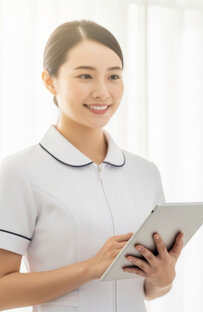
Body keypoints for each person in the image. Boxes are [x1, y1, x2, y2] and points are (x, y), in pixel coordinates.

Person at [0, 20, 184, 312]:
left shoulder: (145, 173)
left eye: (113, 76)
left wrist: (164, 277)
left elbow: (149, 290)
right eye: (85, 76)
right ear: (50, 81)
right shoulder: (20, 172)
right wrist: (88, 269)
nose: (102, 92)